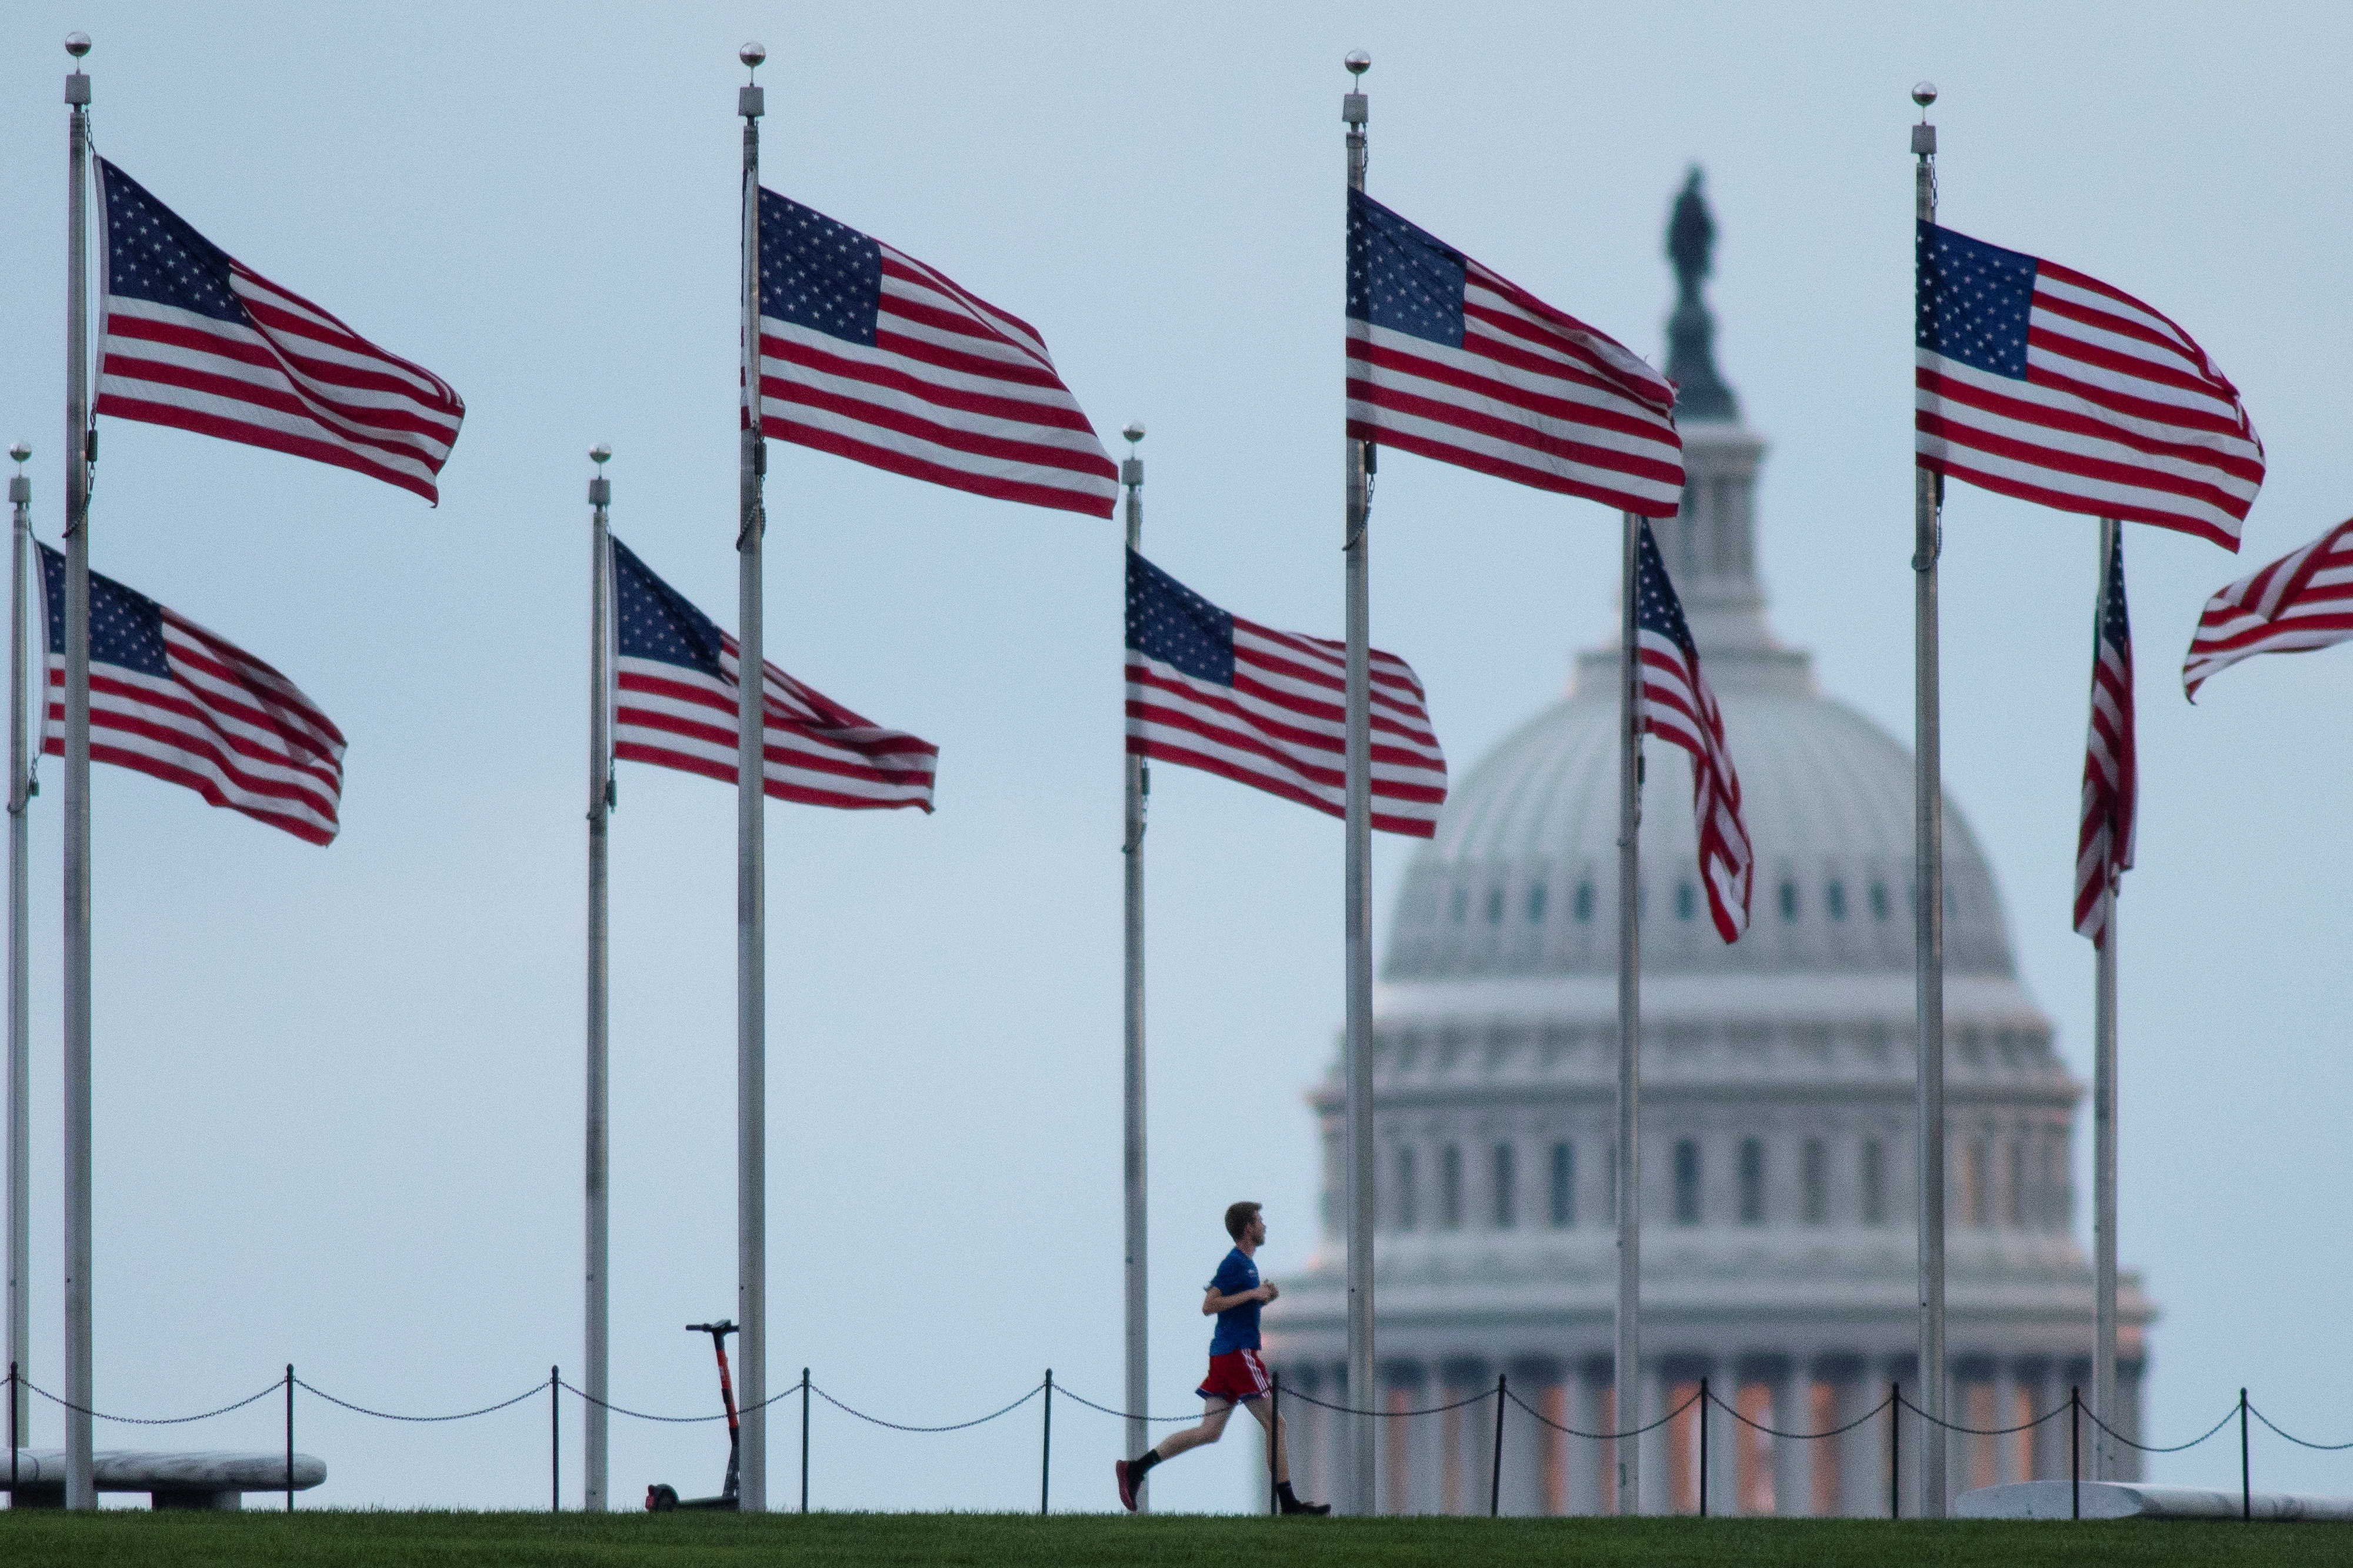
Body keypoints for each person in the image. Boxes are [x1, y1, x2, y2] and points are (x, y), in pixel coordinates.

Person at [1115, 1201, 1328, 1514]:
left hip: (1224, 1355)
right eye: (1259, 1221)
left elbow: (1234, 1310)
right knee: (1276, 1425)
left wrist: (1262, 1299)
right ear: (1248, 1229)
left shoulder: (1247, 1266)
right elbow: (1209, 1305)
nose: (1264, 1226)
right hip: (1239, 1354)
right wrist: (1253, 1295)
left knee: (1209, 1432)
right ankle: (1289, 1504)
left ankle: (1135, 1469)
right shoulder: (1236, 1264)